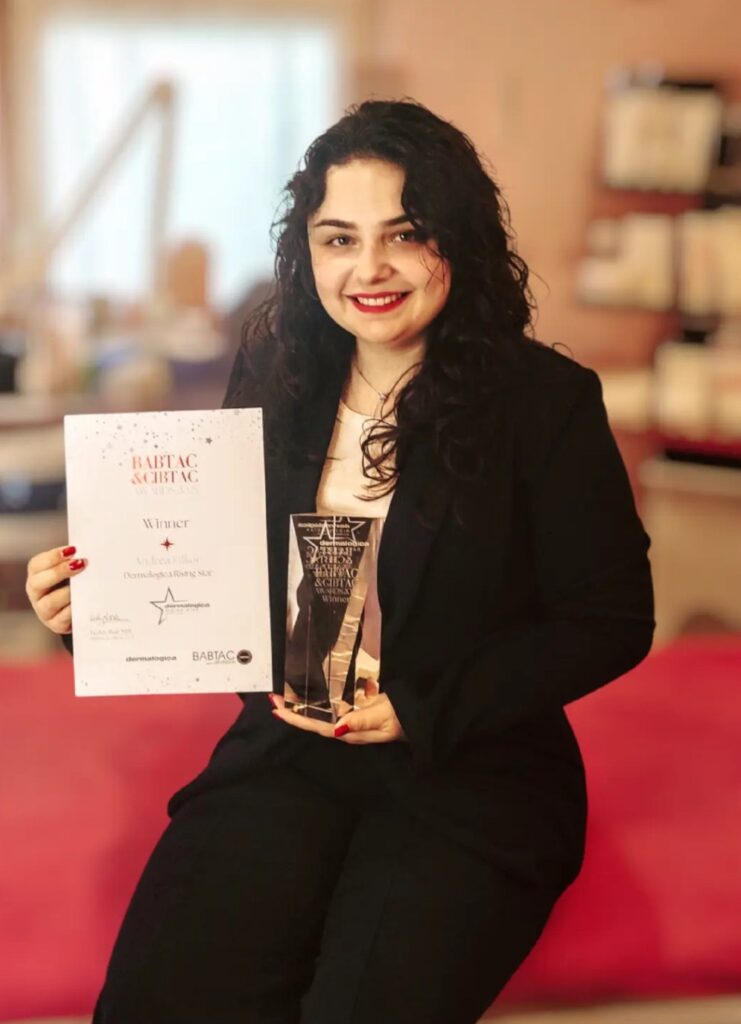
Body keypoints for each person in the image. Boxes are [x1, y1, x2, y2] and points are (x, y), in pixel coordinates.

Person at [25, 99, 655, 1023]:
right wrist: (99, 610)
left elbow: (610, 621)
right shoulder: (279, 371)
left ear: (459, 241)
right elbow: (219, 577)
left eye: (405, 234)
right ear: (305, 251)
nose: (369, 269)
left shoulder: (543, 403)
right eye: (337, 237)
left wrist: (422, 708)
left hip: (467, 773)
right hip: (288, 753)